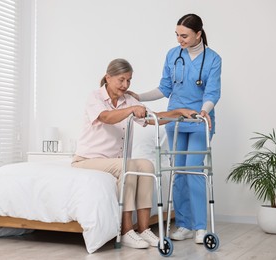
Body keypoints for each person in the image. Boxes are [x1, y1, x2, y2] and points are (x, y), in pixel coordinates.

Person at [71, 58, 200, 249]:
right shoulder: (95, 97)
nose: (125, 85)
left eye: (129, 81)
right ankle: (126, 231)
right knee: (129, 165)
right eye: (121, 80)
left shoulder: (128, 100)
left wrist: (178, 112)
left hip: (114, 161)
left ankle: (144, 229)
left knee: (147, 165)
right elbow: (107, 117)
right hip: (87, 160)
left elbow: (153, 119)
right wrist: (131, 109)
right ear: (108, 77)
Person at [128, 14, 222, 244]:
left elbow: (212, 93)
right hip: (175, 121)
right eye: (177, 35)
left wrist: (204, 111)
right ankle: (184, 224)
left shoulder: (213, 59)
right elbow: (164, 88)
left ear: (198, 34)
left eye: (185, 35)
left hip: (199, 121)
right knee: (178, 171)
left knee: (194, 171)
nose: (180, 39)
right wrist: (139, 96)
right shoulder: (173, 55)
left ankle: (200, 227)